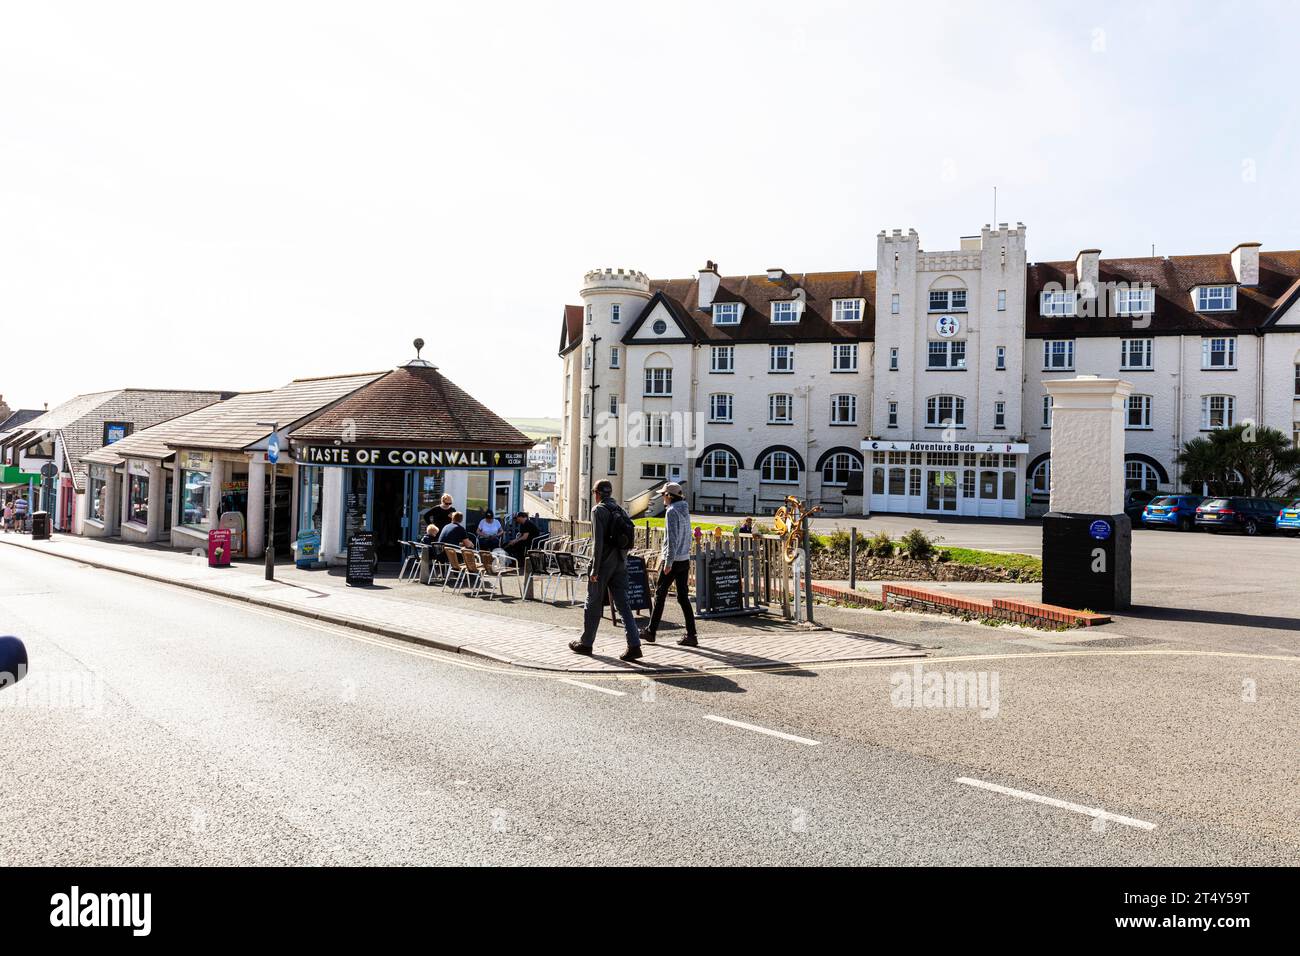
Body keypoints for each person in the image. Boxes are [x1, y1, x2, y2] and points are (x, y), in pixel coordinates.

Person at [569, 480, 642, 662]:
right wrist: (622, 560)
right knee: (623, 604)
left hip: (603, 564)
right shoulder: (619, 509)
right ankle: (634, 645)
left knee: (592, 602)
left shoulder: (598, 510)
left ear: (597, 494)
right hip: (620, 561)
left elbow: (598, 543)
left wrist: (594, 568)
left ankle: (586, 643)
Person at [639, 483, 697, 647]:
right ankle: (692, 635)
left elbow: (672, 539)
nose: (663, 497)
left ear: (670, 496)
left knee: (660, 594)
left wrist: (668, 562)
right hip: (684, 558)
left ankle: (651, 632)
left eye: (664, 494)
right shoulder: (684, 509)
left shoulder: (671, 512)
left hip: (672, 560)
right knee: (683, 597)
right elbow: (686, 535)